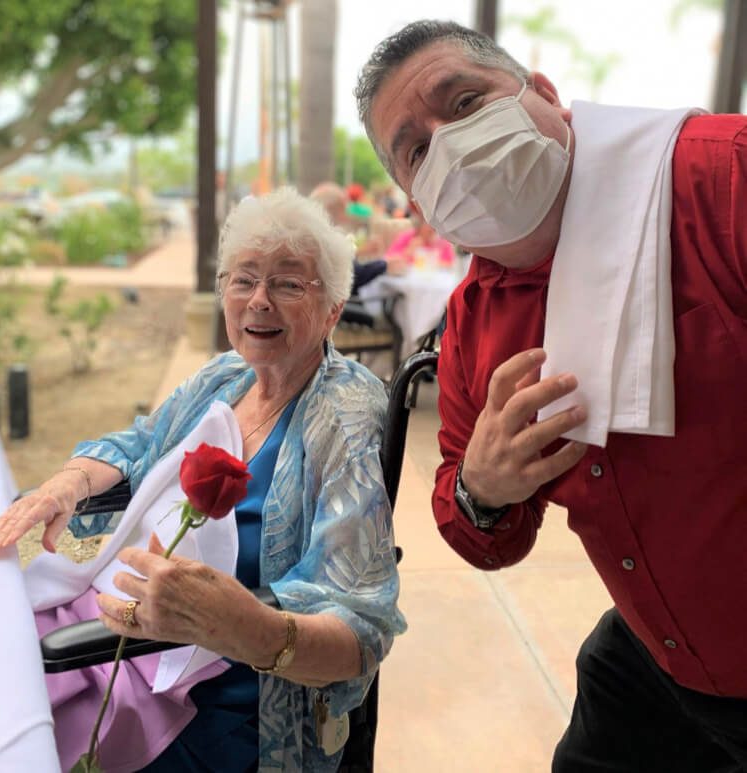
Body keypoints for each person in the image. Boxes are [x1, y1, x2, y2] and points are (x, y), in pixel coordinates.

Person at [355, 19, 747, 773]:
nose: (454, 144)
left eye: (466, 101)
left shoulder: (717, 179)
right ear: (415, 203)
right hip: (652, 652)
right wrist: (483, 486)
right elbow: (482, 532)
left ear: (544, 94)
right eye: (418, 148)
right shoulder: (472, 323)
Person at [0, 187, 406, 772]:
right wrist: (67, 484)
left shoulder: (344, 413)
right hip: (119, 629)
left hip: (220, 705)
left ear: (333, 309)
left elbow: (361, 629)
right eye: (243, 279)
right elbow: (137, 444)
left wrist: (242, 627)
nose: (259, 301)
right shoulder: (226, 375)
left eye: (287, 284)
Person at [309, 182, 406, 293]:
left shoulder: (314, 236)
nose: (348, 211)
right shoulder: (329, 238)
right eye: (345, 206)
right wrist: (383, 265)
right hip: (344, 306)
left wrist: (362, 253)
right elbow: (354, 276)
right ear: (339, 209)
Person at [385, 213, 455, 269]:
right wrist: (409, 250)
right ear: (420, 225)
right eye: (428, 224)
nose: (433, 229)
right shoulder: (408, 237)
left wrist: (433, 263)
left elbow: (450, 264)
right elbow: (388, 259)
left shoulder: (441, 241)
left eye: (435, 225)